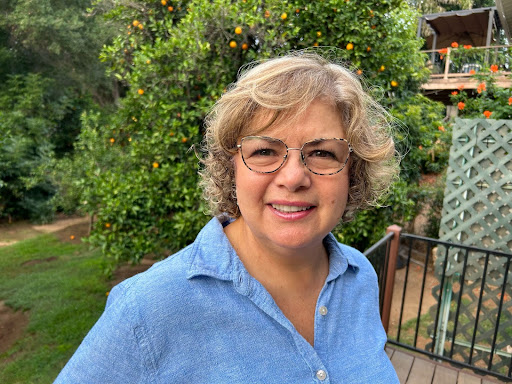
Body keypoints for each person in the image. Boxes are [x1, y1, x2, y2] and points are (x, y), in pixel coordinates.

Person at [55, 52, 400, 383]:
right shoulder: (147, 309)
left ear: (352, 171)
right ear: (229, 166)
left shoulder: (359, 278)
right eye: (264, 151)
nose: (293, 177)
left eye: (323, 152)